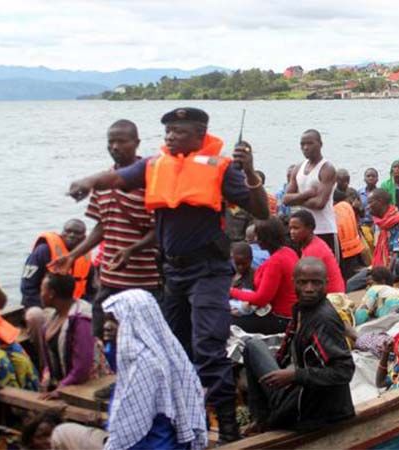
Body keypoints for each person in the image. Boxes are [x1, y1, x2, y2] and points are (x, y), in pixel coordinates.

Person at [67, 107, 269, 442]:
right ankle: (187, 417)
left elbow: (260, 211)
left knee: (208, 346)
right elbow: (116, 178)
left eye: (179, 131)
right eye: (167, 132)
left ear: (200, 135)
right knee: (174, 347)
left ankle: (230, 428)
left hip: (209, 270)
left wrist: (249, 173)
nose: (170, 137)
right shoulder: (153, 165)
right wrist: (88, 181)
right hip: (173, 272)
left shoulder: (220, 169)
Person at [48, 120, 160, 339]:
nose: (115, 147)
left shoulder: (152, 180)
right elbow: (102, 226)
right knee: (101, 334)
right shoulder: (101, 182)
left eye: (122, 141)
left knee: (145, 337)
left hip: (144, 279)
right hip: (110, 276)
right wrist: (72, 256)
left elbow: (160, 230)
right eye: (111, 142)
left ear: (136, 143)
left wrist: (132, 249)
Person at [240, 258, 355, 431]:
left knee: (252, 347)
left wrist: (295, 375)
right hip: (299, 394)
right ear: (294, 283)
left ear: (326, 284)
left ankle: (267, 420)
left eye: (315, 283)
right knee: (252, 345)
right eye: (303, 283)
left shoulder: (322, 320)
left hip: (312, 413)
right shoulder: (302, 309)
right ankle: (262, 418)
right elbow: (286, 350)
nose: (309, 289)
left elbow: (344, 371)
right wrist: (284, 371)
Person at [103, 290, 208, 450]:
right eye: (107, 320)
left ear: (135, 322)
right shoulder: (132, 353)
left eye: (115, 320)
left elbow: (132, 426)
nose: (107, 327)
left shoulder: (145, 363)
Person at [37, 273, 110, 399]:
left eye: (42, 290)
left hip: (87, 386)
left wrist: (61, 389)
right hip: (63, 381)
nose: (40, 294)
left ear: (51, 294)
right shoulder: (53, 317)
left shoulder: (81, 321)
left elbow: (81, 369)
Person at [0, 248, 39, 391]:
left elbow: (1, 303)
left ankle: (34, 403)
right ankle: (18, 410)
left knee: (23, 361)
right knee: (3, 366)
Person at [230, 218, 299, 335]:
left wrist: (232, 292)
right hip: (290, 315)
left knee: (228, 321)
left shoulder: (275, 262)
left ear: (265, 238)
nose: (255, 240)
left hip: (281, 319)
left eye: (258, 236)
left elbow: (261, 299)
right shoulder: (288, 252)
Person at [346, 189, 399, 300]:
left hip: (395, 268)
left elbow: (398, 254)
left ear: (380, 202)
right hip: (382, 265)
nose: (368, 206)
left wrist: (380, 276)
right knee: (350, 284)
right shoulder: (381, 223)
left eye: (370, 202)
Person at [283, 129, 339, 256]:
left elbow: (320, 203)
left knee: (328, 272)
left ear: (320, 144)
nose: (305, 147)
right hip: (303, 232)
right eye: (302, 144)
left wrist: (296, 200)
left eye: (310, 143)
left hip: (324, 230)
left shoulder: (327, 169)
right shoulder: (298, 168)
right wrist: (307, 194)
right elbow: (286, 199)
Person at [21, 218, 94, 310]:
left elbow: (91, 292)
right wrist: (43, 307)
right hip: (43, 306)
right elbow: (28, 287)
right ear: (62, 233)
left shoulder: (86, 259)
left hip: (74, 307)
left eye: (77, 233)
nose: (71, 235)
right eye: (68, 231)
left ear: (84, 238)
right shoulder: (43, 251)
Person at [289, 210, 345, 293]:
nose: (292, 232)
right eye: (290, 228)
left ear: (310, 228)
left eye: (296, 228)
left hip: (332, 297)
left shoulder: (314, 250)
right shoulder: (311, 244)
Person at [333, 190, 365, 280]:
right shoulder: (347, 206)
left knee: (346, 275)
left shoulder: (335, 210)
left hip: (344, 249)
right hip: (355, 246)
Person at [358, 167, 379, 242]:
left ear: (377, 179)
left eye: (373, 176)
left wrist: (375, 223)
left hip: (376, 224)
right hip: (362, 224)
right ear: (364, 179)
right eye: (368, 176)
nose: (371, 178)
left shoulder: (379, 193)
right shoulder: (360, 193)